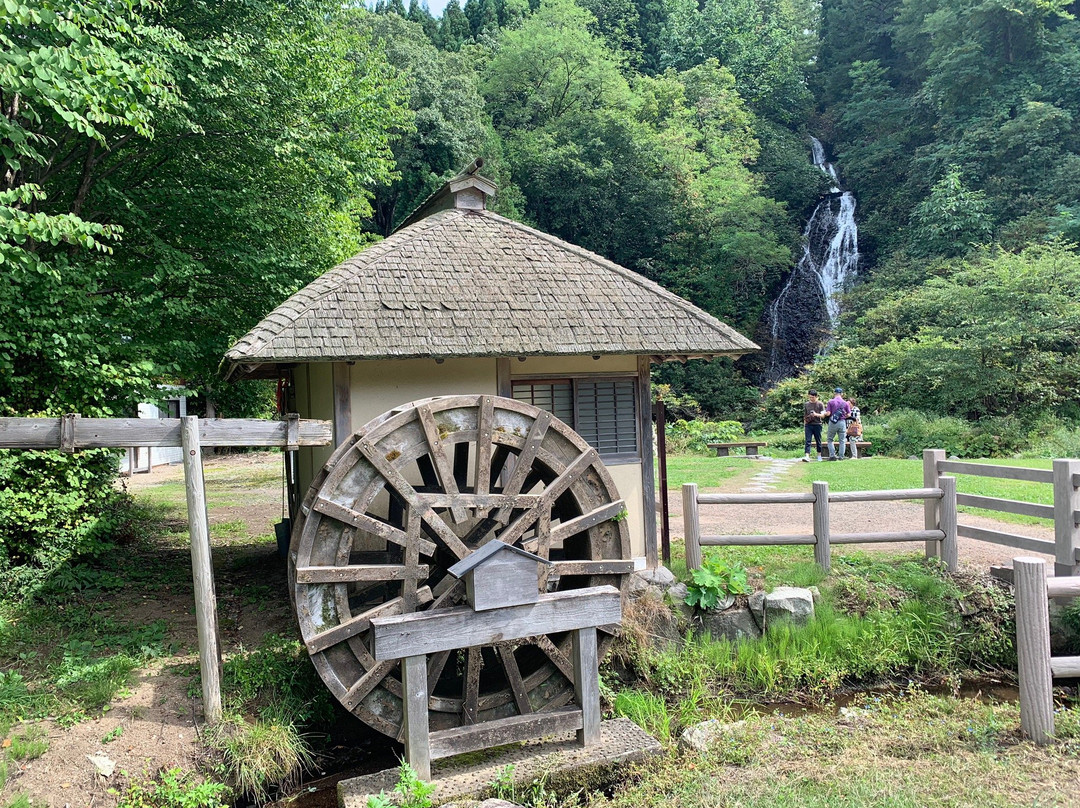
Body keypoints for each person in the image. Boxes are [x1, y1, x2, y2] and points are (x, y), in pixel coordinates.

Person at [825, 387, 851, 460]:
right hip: (842, 422)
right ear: (842, 394)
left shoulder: (830, 402)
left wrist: (824, 413)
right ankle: (841, 457)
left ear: (834, 393)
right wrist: (843, 415)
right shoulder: (845, 403)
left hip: (833, 422)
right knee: (842, 441)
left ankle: (832, 456)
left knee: (830, 439)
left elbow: (828, 413)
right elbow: (849, 414)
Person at [802, 389, 826, 462]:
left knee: (818, 440)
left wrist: (816, 414)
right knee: (807, 440)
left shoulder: (820, 404)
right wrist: (805, 424)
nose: (811, 399)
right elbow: (805, 415)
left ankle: (819, 455)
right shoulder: (806, 404)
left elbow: (823, 416)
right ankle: (807, 456)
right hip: (808, 425)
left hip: (817, 424)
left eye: (812, 397)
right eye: (810, 397)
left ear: (816, 396)